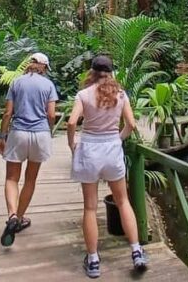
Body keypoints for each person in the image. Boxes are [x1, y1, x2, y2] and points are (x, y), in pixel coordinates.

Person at [66, 55, 148, 278]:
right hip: (112, 149)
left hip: (90, 150)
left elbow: (72, 122)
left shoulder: (83, 95)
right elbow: (131, 124)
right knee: (122, 201)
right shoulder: (121, 95)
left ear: (91, 72)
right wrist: (118, 138)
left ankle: (93, 260)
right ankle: (137, 251)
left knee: (90, 207)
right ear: (112, 73)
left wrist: (72, 144)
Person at [0, 52, 58, 247]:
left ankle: (12, 215)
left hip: (18, 133)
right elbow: (51, 115)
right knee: (30, 179)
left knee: (11, 178)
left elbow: (7, 113)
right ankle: (20, 217)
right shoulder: (48, 85)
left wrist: (1, 137)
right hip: (40, 134)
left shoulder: (17, 82)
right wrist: (47, 132)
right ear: (44, 68)